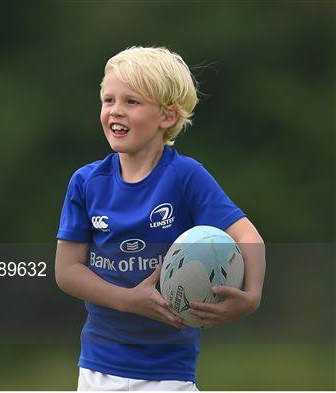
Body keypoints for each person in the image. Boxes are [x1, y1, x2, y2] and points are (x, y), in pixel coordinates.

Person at [55, 46, 265, 391]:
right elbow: (67, 271)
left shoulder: (186, 177)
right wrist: (128, 300)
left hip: (169, 375)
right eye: (109, 100)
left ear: (167, 116)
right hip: (97, 370)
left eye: (131, 102)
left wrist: (252, 296)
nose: (115, 112)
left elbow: (248, 237)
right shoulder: (86, 182)